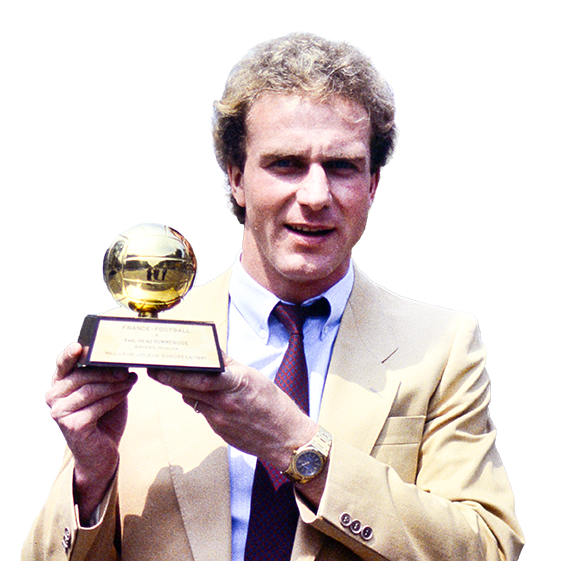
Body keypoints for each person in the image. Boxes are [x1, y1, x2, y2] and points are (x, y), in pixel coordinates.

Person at [22, 33, 524, 561]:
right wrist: (90, 482)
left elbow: (488, 549)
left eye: (342, 166)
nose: (315, 195)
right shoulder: (141, 346)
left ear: (373, 184)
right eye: (286, 164)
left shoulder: (441, 348)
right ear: (236, 179)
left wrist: (295, 445)